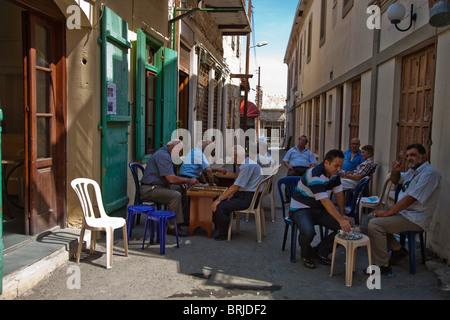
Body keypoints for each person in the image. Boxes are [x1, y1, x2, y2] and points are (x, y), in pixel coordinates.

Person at [367, 144, 441, 274]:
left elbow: (410, 199)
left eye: (413, 155)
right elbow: (396, 181)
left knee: (375, 224)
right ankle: (397, 249)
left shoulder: (430, 173)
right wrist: (395, 170)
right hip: (404, 214)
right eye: (407, 156)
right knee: (371, 217)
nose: (409, 158)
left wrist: (388, 212)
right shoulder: (413, 171)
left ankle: (382, 265)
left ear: (424, 156)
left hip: (415, 218)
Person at [289, 149, 353, 269]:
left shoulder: (335, 175)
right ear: (326, 163)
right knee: (308, 232)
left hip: (318, 208)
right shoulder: (315, 175)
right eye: (336, 166)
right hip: (300, 208)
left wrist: (342, 215)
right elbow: (325, 201)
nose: (339, 169)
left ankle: (320, 252)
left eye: (340, 166)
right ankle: (306, 254)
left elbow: (339, 194)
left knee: (345, 229)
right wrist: (340, 219)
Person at [140, 139, 199, 237]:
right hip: (149, 189)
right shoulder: (163, 156)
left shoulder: (166, 154)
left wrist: (181, 182)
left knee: (182, 190)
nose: (180, 153)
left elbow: (169, 177)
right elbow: (171, 179)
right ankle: (172, 227)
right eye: (179, 151)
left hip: (158, 185)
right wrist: (188, 180)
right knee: (175, 195)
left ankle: (182, 219)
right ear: (173, 148)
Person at [211, 145, 263, 241]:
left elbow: (235, 186)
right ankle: (224, 226)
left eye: (232, 157)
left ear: (237, 156)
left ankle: (223, 234)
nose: (232, 160)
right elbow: (237, 186)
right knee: (225, 199)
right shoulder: (248, 163)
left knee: (219, 206)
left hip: (249, 199)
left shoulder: (247, 166)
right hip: (249, 196)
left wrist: (218, 200)